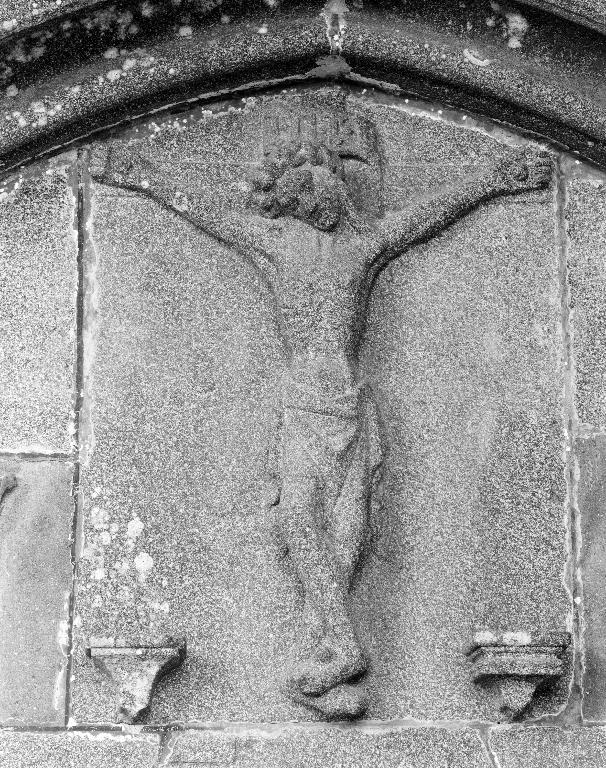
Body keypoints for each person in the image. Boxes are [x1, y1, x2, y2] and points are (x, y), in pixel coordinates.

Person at [93, 103, 552, 719]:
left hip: (348, 403)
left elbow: (426, 217)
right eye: (316, 181)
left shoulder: (359, 246)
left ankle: (332, 644)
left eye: (333, 179)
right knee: (303, 517)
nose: (330, 190)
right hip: (307, 403)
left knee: (348, 520)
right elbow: (205, 211)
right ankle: (339, 643)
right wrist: (138, 174)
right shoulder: (279, 244)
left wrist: (497, 179)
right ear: (294, 193)